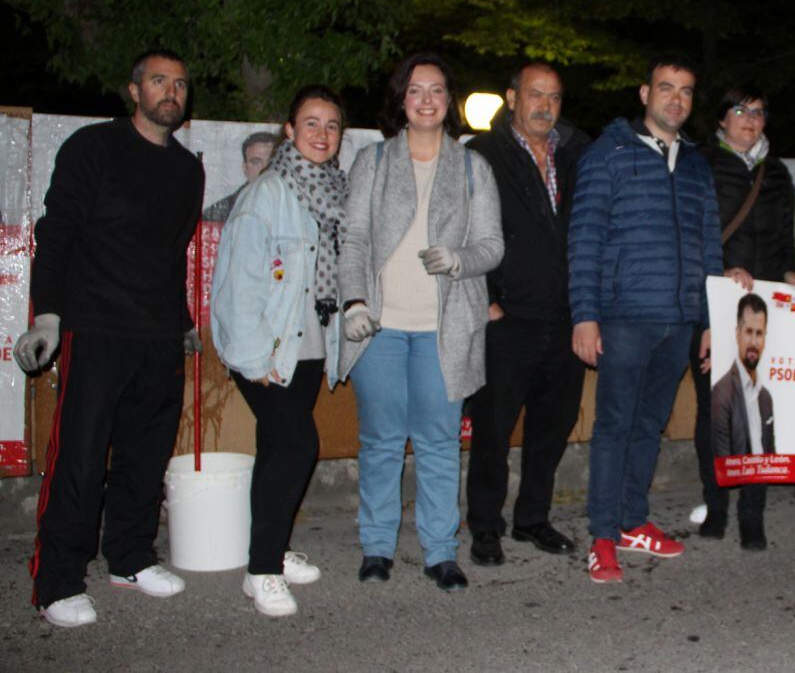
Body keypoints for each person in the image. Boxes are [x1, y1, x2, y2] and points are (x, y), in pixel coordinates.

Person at [14, 49, 204, 628]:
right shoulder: (92, 148)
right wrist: (48, 314)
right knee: (80, 455)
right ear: (133, 90)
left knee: (147, 453)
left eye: (178, 84)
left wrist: (183, 319)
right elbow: (58, 230)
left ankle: (130, 557)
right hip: (95, 326)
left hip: (157, 334)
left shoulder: (187, 169)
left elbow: (171, 254)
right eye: (157, 81)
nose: (169, 91)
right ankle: (57, 581)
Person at [338, 53, 503, 591]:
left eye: (436, 89)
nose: (426, 99)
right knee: (381, 441)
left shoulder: (474, 168)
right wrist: (354, 302)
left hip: (445, 327)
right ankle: (377, 548)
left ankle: (439, 552)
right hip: (380, 327)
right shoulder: (374, 162)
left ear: (448, 100)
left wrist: (459, 260)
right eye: (415, 90)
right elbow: (354, 240)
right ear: (401, 101)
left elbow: (492, 246)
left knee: (437, 442)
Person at [569, 55, 724, 583]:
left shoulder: (698, 164)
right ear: (644, 93)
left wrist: (710, 320)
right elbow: (584, 239)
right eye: (666, 88)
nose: (676, 99)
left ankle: (633, 520)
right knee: (614, 427)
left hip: (679, 319)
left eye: (685, 90)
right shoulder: (608, 154)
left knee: (649, 426)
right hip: (624, 318)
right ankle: (603, 536)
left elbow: (709, 248)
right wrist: (585, 316)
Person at [210, 85, 346, 617]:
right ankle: (261, 571)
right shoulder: (267, 193)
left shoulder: (334, 190)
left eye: (331, 125)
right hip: (267, 348)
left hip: (309, 346)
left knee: (277, 449)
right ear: (289, 131)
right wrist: (250, 357)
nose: (321, 134)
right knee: (296, 445)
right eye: (310, 123)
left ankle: (272, 549)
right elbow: (236, 282)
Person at [464, 63, 590, 566]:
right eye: (535, 95)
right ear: (511, 98)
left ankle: (533, 518)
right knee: (492, 430)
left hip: (565, 317)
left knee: (551, 428)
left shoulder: (579, 154)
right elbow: (460, 230)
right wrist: (484, 298)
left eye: (555, 97)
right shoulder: (480, 155)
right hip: (507, 318)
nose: (545, 105)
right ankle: (485, 526)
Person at [690, 85, 795, 549]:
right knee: (716, 412)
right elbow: (691, 234)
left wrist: (791, 273)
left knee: (765, 408)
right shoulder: (698, 164)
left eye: (759, 112)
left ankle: (753, 513)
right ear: (722, 119)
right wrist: (719, 269)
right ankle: (718, 505)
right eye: (740, 110)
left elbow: (784, 240)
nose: (750, 119)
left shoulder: (777, 172)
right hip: (715, 304)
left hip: (765, 311)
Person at [710, 297, 776, 521]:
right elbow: (722, 456)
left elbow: (769, 452)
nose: (754, 341)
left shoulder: (766, 397)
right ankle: (722, 513)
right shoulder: (722, 392)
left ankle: (754, 514)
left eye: (760, 333)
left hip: (757, 482)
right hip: (735, 475)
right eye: (749, 331)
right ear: (738, 333)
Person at [202, 131, 277, 221]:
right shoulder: (217, 214)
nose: (265, 168)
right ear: (245, 167)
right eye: (256, 162)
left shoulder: (292, 207)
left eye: (271, 162)